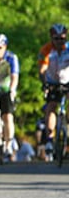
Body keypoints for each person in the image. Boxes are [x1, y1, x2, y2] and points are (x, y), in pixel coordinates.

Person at [38, 23, 68, 158]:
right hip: (52, 82)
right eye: (56, 38)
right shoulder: (46, 50)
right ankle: (50, 138)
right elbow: (42, 70)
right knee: (51, 106)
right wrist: (45, 83)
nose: (60, 41)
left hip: (67, 80)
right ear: (51, 38)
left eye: (62, 38)